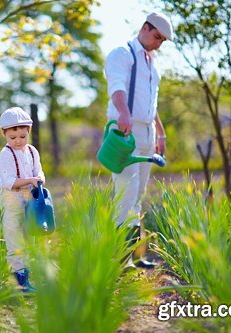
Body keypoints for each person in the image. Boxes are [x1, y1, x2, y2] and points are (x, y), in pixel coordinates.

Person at [104, 12, 173, 268]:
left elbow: (150, 104)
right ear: (145, 28)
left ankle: (136, 255)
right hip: (125, 131)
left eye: (163, 40)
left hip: (147, 132)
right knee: (126, 192)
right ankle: (120, 259)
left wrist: (160, 132)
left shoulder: (152, 64)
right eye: (157, 37)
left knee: (139, 194)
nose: (159, 43)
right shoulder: (122, 53)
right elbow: (117, 86)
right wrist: (123, 111)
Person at [0, 106, 45, 292]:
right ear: (4, 134)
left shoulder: (32, 151)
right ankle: (19, 280)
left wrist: (39, 178)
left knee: (30, 233)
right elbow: (9, 181)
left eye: (23, 137)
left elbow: (38, 170)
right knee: (14, 235)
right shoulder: (5, 155)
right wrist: (29, 181)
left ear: (28, 132)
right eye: (13, 137)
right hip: (11, 199)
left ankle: (31, 273)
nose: (18, 141)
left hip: (29, 198)